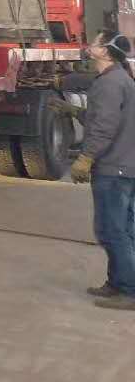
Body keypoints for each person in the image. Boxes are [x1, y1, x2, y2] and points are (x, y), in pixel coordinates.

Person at [68, 32, 135, 309]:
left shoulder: (110, 83)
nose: (90, 45)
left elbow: (105, 127)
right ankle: (117, 282)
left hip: (113, 168)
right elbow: (108, 118)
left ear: (106, 52)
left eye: (95, 42)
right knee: (124, 230)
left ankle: (129, 291)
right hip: (125, 166)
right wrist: (75, 111)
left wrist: (86, 157)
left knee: (111, 230)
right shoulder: (120, 79)